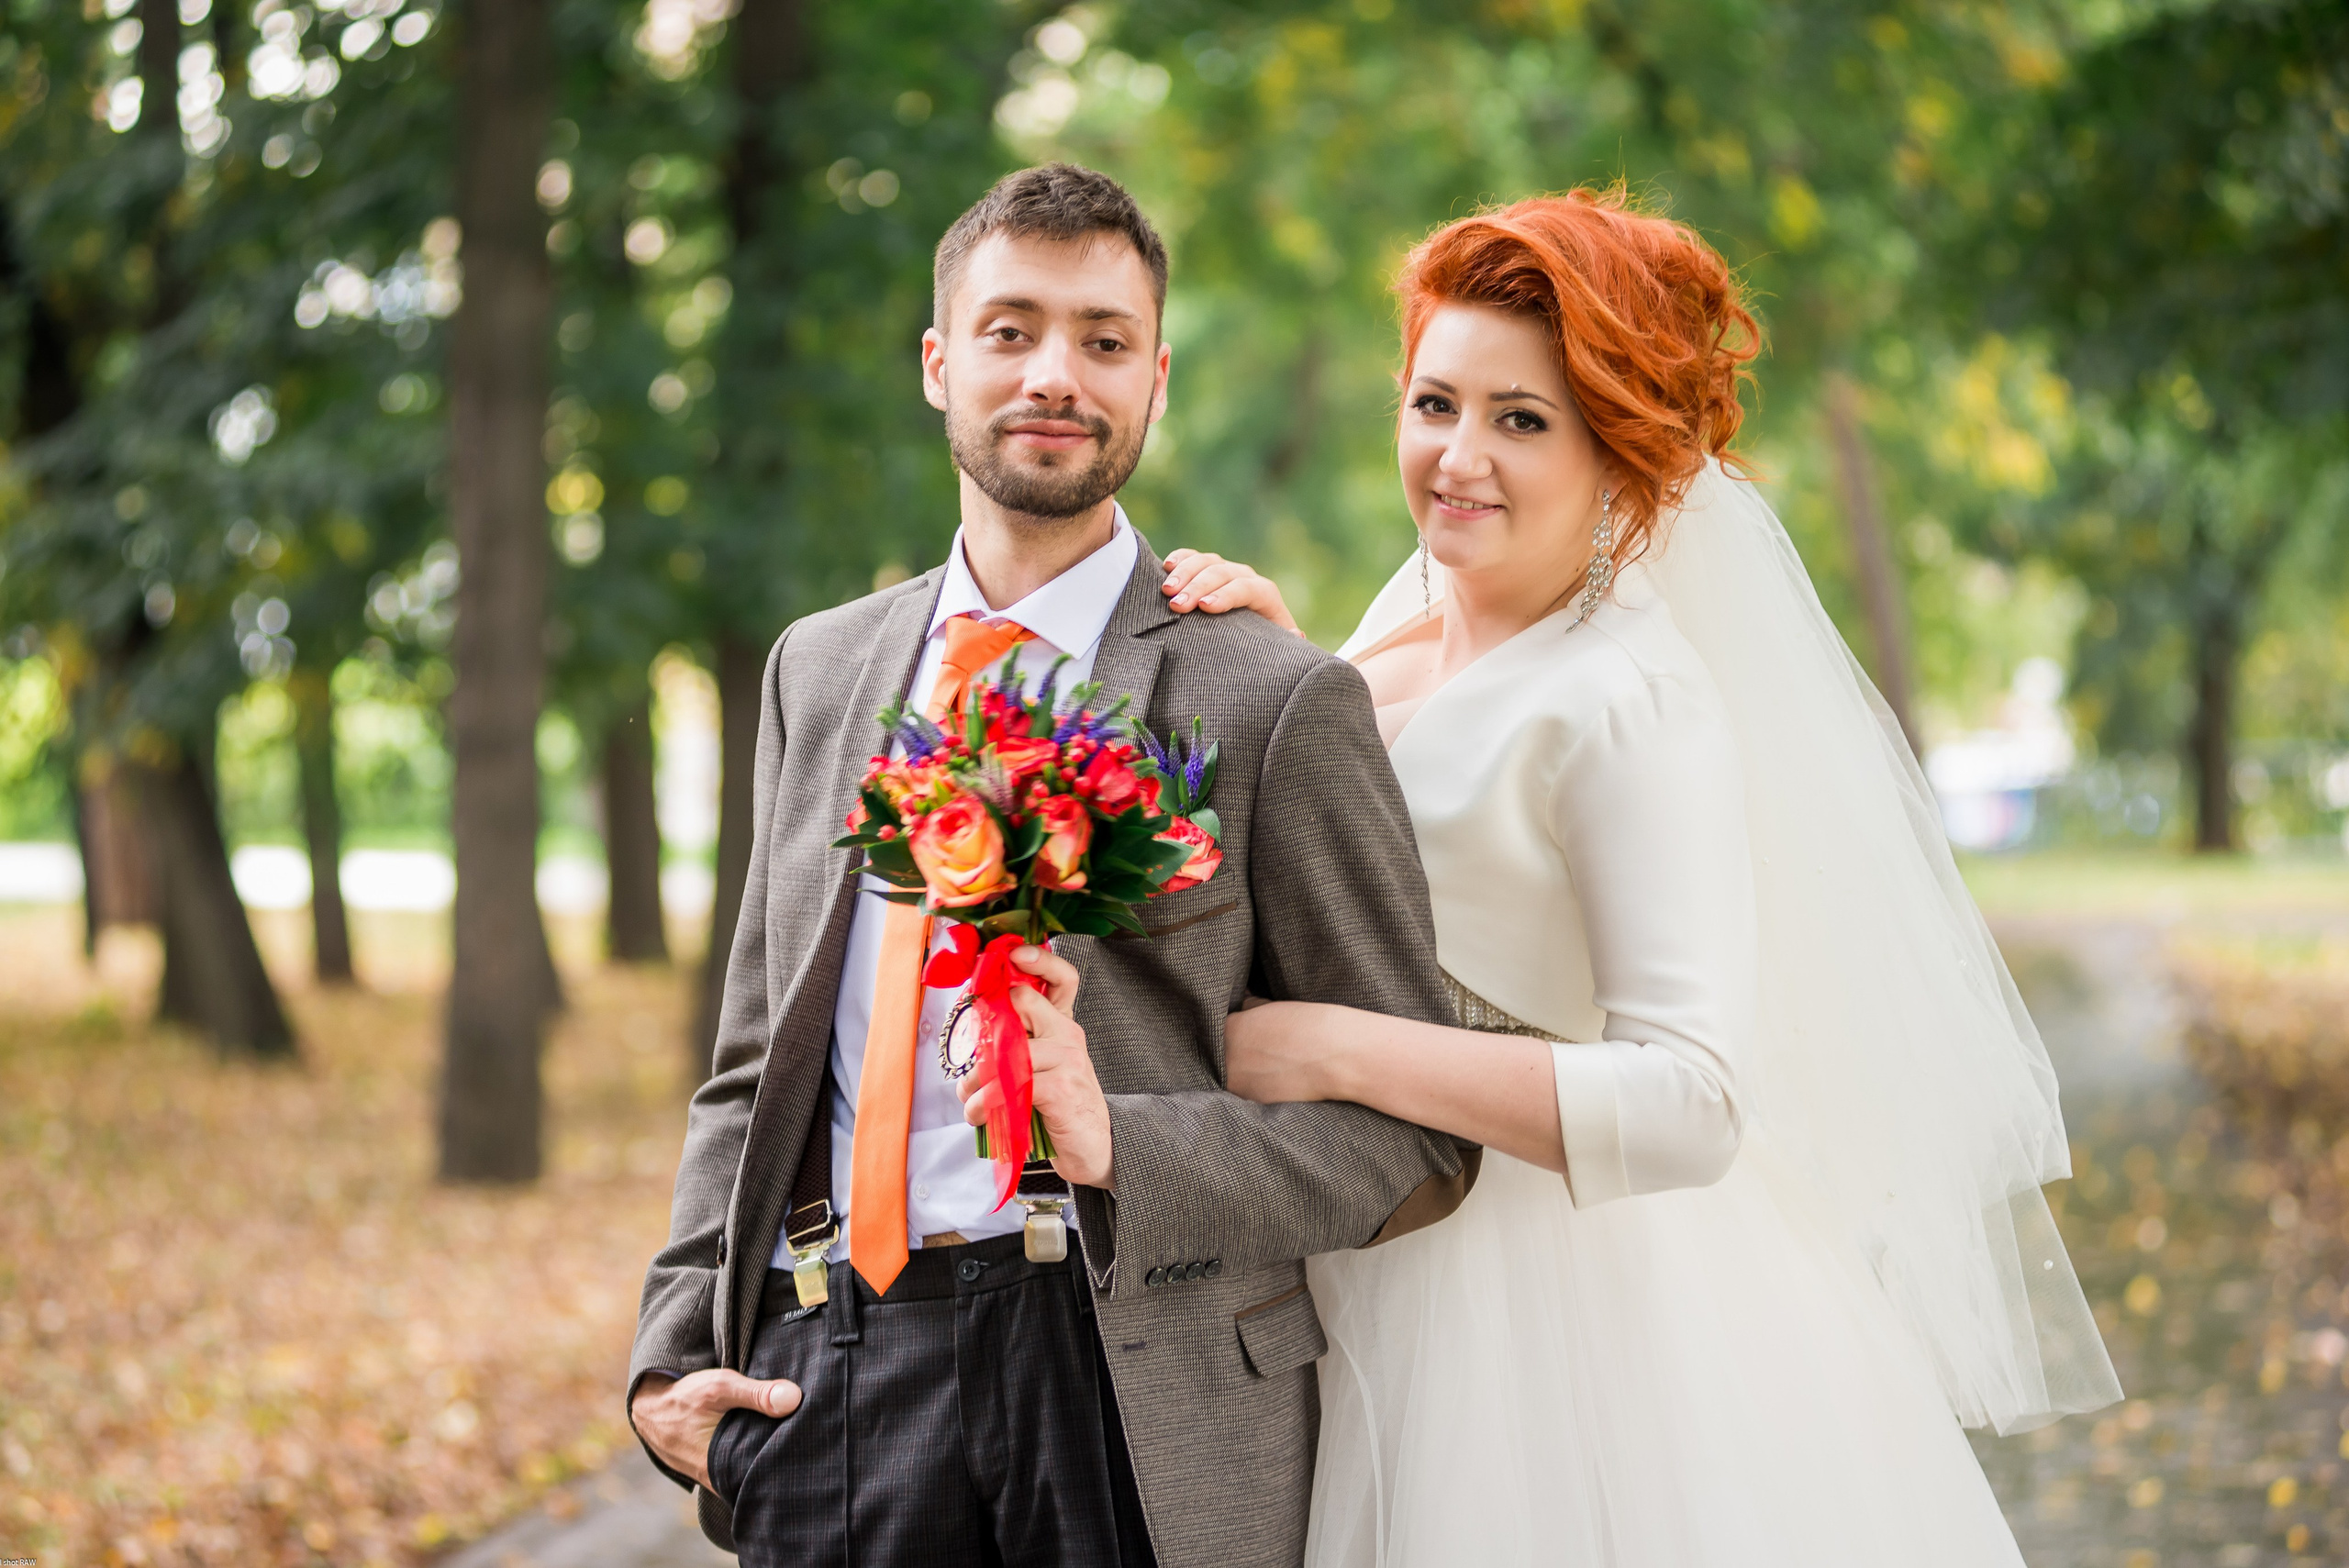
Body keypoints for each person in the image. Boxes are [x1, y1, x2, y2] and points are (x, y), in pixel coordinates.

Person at [1161, 188, 2121, 1565]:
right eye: (1435, 404)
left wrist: (1335, 1047)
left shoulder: (1628, 700)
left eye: (1523, 420)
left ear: (1626, 455)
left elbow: (1689, 1102)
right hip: (1361, 1249)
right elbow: (1425, 845)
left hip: (1550, 1317)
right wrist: (1287, 674)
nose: (1458, 459)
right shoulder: (1410, 614)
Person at [625, 162, 1475, 1568]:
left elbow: (1419, 1145)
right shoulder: (819, 669)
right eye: (1012, 329)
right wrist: (670, 1357)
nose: (1054, 375)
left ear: (1156, 379)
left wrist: (1121, 1144)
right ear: (938, 361)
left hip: (1136, 1387)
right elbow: (748, 1065)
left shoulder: (1267, 697)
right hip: (832, 1379)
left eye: (1103, 338)